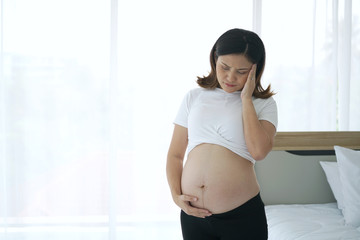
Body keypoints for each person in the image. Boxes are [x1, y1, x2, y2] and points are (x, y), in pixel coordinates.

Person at [166, 28, 277, 240]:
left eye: (242, 71)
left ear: (255, 70)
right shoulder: (194, 97)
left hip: (241, 217)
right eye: (224, 67)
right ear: (214, 59)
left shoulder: (263, 104)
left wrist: (245, 99)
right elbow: (175, 155)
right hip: (193, 216)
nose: (230, 77)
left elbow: (259, 151)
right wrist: (176, 196)